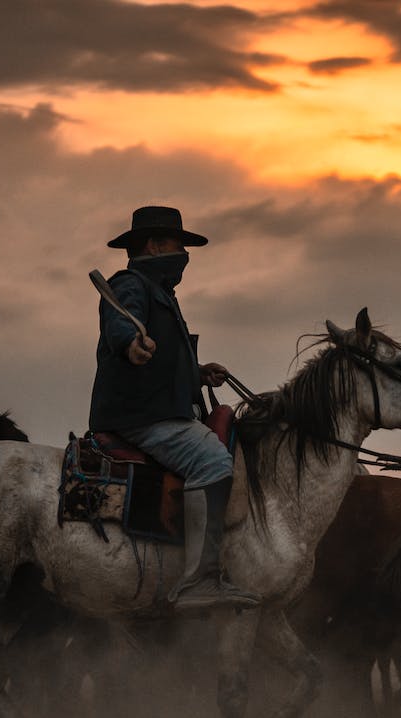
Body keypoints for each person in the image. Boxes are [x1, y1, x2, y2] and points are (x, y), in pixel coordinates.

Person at [89, 205, 260, 610]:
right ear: (154, 245)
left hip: (152, 409)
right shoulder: (132, 284)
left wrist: (197, 373)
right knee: (215, 464)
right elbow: (120, 324)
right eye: (177, 245)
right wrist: (130, 343)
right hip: (143, 416)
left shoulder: (161, 292)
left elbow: (163, 360)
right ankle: (199, 581)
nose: (184, 255)